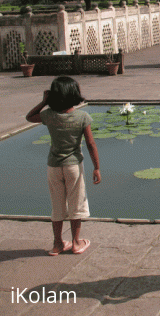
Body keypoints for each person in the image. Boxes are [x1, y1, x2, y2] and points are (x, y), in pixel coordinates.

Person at [26, 76, 100, 256]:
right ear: (75, 95)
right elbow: (91, 144)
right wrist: (96, 167)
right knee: (76, 204)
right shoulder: (82, 117)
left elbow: (29, 117)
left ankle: (57, 243)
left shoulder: (49, 116)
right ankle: (75, 242)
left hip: (53, 166)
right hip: (73, 166)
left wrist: (43, 101)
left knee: (57, 205)